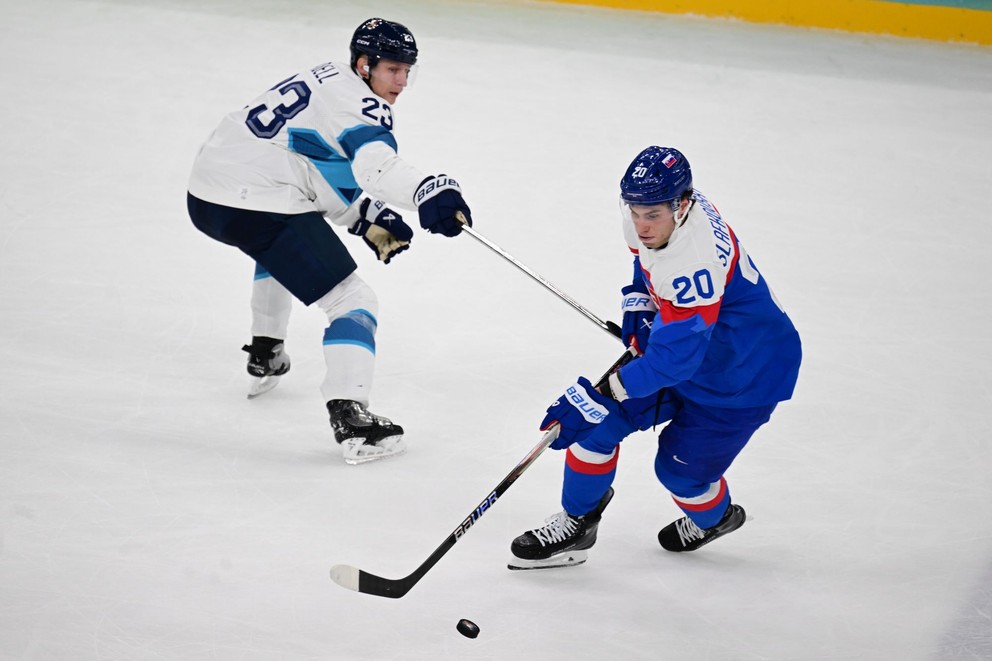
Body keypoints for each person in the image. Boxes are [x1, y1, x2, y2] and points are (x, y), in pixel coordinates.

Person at [186, 18, 472, 465]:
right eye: (392, 69)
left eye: (407, 70)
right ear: (364, 64)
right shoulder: (360, 106)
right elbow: (375, 165)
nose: (402, 81)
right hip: (257, 200)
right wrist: (428, 190)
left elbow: (312, 164)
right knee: (353, 300)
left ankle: (265, 351)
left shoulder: (327, 75)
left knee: (277, 247)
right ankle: (350, 415)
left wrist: (363, 216)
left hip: (206, 194)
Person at [508, 146, 801, 569]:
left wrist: (604, 393)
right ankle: (578, 523)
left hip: (743, 375)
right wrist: (639, 303)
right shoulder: (665, 213)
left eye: (652, 216)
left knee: (680, 475)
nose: (641, 225)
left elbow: (672, 364)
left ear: (681, 206)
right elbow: (645, 264)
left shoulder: (691, 265)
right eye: (635, 212)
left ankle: (716, 519)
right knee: (597, 427)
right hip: (692, 346)